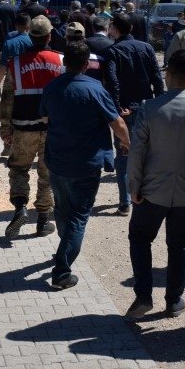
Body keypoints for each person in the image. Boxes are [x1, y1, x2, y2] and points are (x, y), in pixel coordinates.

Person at [126, 50, 185, 318]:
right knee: (180, 245)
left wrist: (134, 187)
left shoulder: (149, 108)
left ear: (167, 74)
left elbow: (137, 151)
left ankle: (143, 295)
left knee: (140, 238)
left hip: (152, 191)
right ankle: (173, 300)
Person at [41, 42, 129, 290]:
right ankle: (62, 271)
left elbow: (45, 117)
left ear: (64, 62)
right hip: (86, 164)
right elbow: (118, 124)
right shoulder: (95, 89)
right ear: (86, 64)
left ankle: (65, 246)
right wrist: (128, 143)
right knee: (79, 216)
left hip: (57, 160)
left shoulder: (51, 87)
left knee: (62, 208)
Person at [0, 15, 64, 238]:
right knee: (47, 174)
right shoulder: (61, 61)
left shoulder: (15, 63)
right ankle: (43, 221)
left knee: (19, 170)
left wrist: (5, 129)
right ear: (49, 36)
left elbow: (7, 99)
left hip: (22, 128)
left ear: (30, 35)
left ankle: (20, 207)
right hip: (52, 130)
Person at [103, 13, 164, 215]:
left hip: (126, 110)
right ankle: (144, 195)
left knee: (123, 154)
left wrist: (117, 107)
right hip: (147, 108)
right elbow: (157, 77)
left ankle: (125, 201)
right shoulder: (147, 48)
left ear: (116, 29)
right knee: (147, 151)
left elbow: (113, 82)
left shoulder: (113, 51)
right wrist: (160, 102)